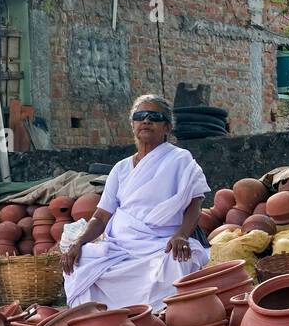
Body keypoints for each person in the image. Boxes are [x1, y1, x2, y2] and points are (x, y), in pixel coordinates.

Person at [61, 94, 210, 309]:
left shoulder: (180, 159)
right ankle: (100, 322)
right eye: (140, 116)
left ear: (167, 126)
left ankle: (155, 319)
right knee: (80, 262)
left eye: (154, 117)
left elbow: (195, 204)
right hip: (120, 245)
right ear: (133, 125)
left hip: (162, 242)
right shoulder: (120, 168)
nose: (146, 120)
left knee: (180, 261)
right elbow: (101, 216)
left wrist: (181, 235)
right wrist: (79, 242)